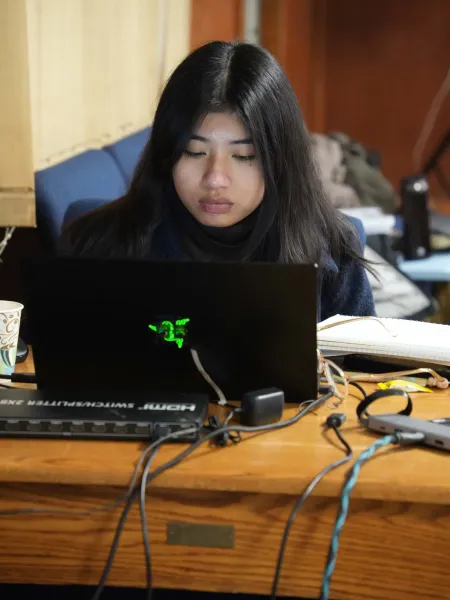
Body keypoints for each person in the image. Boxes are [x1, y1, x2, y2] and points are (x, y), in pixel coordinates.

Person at [59, 41, 375, 322]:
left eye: (244, 156)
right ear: (167, 153)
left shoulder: (331, 252)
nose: (215, 179)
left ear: (280, 160)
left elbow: (364, 365)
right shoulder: (99, 245)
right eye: (194, 152)